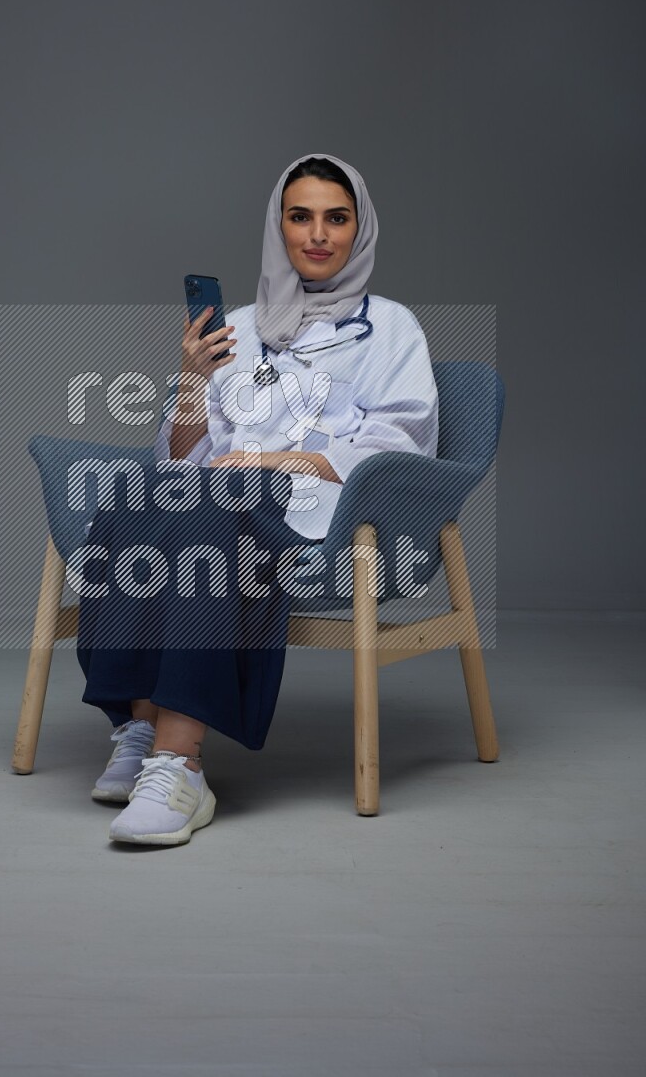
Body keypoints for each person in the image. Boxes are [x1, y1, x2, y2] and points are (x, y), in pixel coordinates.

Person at [76, 153, 439, 847]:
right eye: (300, 217)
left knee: (216, 508)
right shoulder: (238, 327)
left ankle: (180, 765)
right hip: (228, 494)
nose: (318, 234)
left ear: (360, 228)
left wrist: (270, 461)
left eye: (337, 218)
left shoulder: (392, 327)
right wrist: (191, 377)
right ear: (279, 227)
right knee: (130, 496)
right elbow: (183, 456)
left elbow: (398, 443)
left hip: (328, 517)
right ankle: (139, 726)